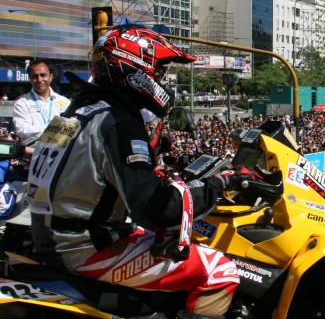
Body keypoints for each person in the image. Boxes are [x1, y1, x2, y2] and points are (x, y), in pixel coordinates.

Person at [27, 24, 242, 319]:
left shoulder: (75, 113)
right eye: (159, 71)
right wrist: (217, 185)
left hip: (54, 236)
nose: (161, 80)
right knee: (220, 270)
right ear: (135, 68)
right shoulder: (118, 122)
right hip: (83, 248)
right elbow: (155, 209)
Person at [13, 59, 71, 145]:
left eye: (43, 75)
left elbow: (71, 130)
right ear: (30, 79)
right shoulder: (22, 103)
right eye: (35, 76)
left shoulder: (65, 102)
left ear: (51, 77)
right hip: (33, 155)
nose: (39, 79)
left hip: (60, 155)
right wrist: (55, 129)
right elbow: (23, 131)